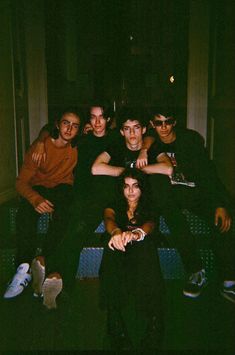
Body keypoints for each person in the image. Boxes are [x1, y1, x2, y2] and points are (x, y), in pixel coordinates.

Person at [136, 107, 235, 302]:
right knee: (170, 210)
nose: (163, 127)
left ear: (174, 122)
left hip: (195, 192)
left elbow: (208, 173)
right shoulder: (150, 142)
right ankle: (196, 271)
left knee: (223, 219)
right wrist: (144, 149)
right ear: (152, 124)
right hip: (170, 196)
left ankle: (229, 280)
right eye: (158, 122)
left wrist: (219, 204)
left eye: (168, 122)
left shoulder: (190, 140)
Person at [3, 108, 81, 299]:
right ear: (57, 124)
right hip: (39, 187)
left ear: (80, 130)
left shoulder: (77, 146)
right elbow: (20, 182)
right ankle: (23, 269)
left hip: (63, 187)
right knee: (25, 213)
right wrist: (35, 199)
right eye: (65, 123)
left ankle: (44, 260)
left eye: (75, 126)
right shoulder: (41, 147)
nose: (69, 129)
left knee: (65, 212)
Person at [100, 168, 165, 350]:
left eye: (135, 186)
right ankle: (114, 318)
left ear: (142, 188)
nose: (130, 191)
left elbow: (150, 223)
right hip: (121, 247)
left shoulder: (149, 204)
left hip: (142, 247)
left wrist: (137, 233)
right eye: (126, 186)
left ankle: (154, 320)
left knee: (146, 248)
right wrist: (116, 232)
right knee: (112, 248)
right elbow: (108, 218)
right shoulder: (114, 203)